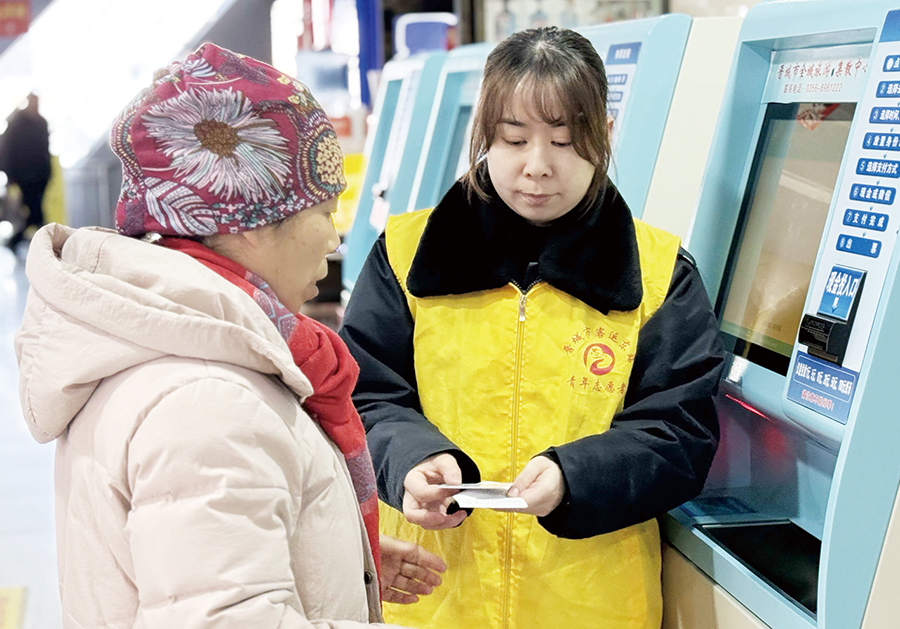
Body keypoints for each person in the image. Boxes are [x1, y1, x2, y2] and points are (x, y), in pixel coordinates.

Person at [15, 43, 447, 628]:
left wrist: (336, 557)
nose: (332, 240)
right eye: (323, 212)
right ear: (250, 224)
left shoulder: (159, 337)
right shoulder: (208, 397)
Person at [338, 27, 725, 629]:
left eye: (564, 142)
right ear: (484, 136)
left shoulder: (659, 273)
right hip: (435, 600)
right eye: (514, 139)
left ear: (605, 135)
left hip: (591, 607)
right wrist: (412, 459)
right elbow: (363, 397)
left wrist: (575, 477)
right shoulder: (405, 255)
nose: (538, 167)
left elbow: (680, 432)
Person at [0, 93, 51, 250]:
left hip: (40, 176)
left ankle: (22, 239)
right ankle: (29, 239)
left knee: (34, 210)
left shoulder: (41, 122)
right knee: (33, 210)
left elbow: (45, 150)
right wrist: (10, 175)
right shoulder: (16, 122)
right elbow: (7, 149)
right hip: (24, 176)